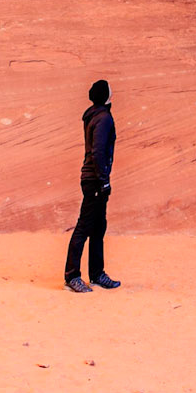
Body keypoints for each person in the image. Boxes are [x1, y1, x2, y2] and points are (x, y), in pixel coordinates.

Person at [64, 78, 120, 292]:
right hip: (95, 180)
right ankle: (72, 276)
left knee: (98, 227)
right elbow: (98, 151)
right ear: (105, 95)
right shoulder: (103, 118)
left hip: (93, 178)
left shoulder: (94, 115)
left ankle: (97, 274)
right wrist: (104, 180)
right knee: (85, 227)